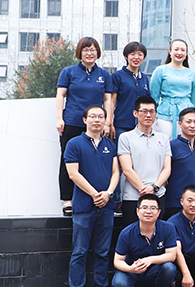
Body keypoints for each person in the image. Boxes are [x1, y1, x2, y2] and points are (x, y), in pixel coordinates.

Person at [64, 104, 119, 287]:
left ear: (105, 120)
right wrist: (95, 194)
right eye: (93, 116)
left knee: (102, 251)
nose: (97, 120)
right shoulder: (74, 144)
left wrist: (108, 193)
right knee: (79, 250)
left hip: (107, 205)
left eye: (101, 116)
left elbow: (116, 172)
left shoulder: (110, 145)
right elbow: (73, 174)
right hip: (83, 206)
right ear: (85, 120)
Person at [56, 36, 112, 216]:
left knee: (94, 161)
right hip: (72, 121)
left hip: (96, 125)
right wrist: (59, 118)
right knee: (67, 160)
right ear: (79, 52)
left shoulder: (104, 75)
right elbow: (60, 95)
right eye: (86, 50)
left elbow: (108, 100)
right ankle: (67, 200)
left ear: (98, 52)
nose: (89, 53)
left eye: (93, 50)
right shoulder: (68, 72)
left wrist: (107, 122)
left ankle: (94, 196)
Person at [111, 195, 178, 287]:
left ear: (159, 212)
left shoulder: (168, 228)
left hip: (154, 270)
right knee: (119, 285)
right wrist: (131, 269)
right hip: (133, 271)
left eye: (153, 208)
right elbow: (117, 261)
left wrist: (150, 260)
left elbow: (171, 255)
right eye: (144, 207)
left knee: (169, 268)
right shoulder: (127, 233)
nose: (148, 211)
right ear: (137, 211)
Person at [118, 96, 172, 225]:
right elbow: (127, 169)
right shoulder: (126, 138)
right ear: (135, 113)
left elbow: (167, 168)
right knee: (133, 233)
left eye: (152, 111)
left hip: (158, 196)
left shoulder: (164, 139)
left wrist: (155, 187)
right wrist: (144, 190)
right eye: (144, 111)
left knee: (157, 234)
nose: (148, 115)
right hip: (133, 197)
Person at [150, 38, 195, 138]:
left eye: (183, 50)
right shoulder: (160, 70)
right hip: (165, 112)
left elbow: (194, 98)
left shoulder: (191, 73)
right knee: (163, 139)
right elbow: (154, 95)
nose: (179, 53)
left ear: (186, 53)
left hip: (186, 113)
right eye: (176, 49)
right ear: (170, 51)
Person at [164, 108, 195, 219]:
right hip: (175, 202)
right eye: (188, 122)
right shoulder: (172, 145)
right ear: (180, 124)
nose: (192, 125)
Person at [106, 41, 150, 139]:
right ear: (126, 56)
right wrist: (110, 123)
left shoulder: (144, 78)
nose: (136, 57)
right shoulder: (118, 76)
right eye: (132, 54)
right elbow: (112, 102)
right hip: (122, 124)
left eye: (140, 54)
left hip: (141, 125)